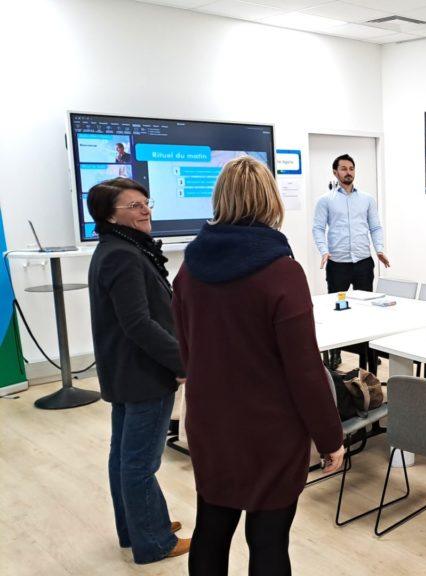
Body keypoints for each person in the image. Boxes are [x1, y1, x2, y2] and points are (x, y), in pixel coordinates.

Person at [173, 156, 345, 576]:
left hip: (211, 424)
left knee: (212, 527)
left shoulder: (189, 270)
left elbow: (187, 353)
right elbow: (304, 370)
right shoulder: (282, 272)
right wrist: (330, 438)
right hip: (269, 430)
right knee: (268, 540)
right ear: (271, 202)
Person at [86, 177, 189, 564]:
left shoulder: (117, 249)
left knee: (124, 457)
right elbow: (139, 324)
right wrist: (183, 362)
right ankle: (154, 541)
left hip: (126, 372)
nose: (145, 209)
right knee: (140, 463)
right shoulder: (122, 255)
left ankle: (135, 528)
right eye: (134, 205)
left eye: (146, 202)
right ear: (110, 214)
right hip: (142, 375)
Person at [312, 154, 389, 369]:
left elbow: (375, 226)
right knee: (337, 310)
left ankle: (369, 352)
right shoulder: (325, 200)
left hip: (363, 261)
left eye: (351, 168)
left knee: (366, 310)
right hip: (338, 264)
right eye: (344, 169)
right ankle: (334, 353)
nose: (348, 172)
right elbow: (318, 228)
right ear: (335, 172)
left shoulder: (367, 199)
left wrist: (379, 249)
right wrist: (324, 251)